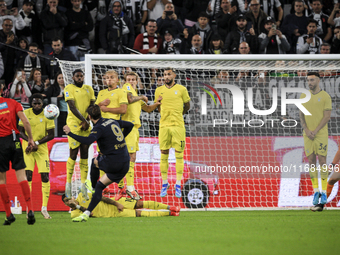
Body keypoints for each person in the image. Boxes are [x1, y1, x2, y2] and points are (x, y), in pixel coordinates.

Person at [63, 104, 134, 222]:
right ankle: (86, 213)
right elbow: (130, 125)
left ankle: (93, 187)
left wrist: (69, 133)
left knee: (94, 162)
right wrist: (120, 138)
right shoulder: (111, 120)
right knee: (101, 184)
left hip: (113, 162)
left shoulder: (98, 128)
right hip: (125, 163)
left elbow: (87, 141)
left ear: (89, 117)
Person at [116, 71, 162, 200]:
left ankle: (123, 186)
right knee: (130, 156)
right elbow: (130, 99)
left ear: (137, 81)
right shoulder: (127, 89)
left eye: (133, 79)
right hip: (127, 127)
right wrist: (142, 96)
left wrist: (157, 104)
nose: (130, 81)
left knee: (130, 157)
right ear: (125, 82)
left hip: (134, 128)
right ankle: (129, 187)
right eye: (128, 79)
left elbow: (147, 108)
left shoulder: (135, 94)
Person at [0, 83, 36, 225]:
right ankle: (30, 210)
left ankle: (9, 215)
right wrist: (31, 139)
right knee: (22, 176)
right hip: (14, 140)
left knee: (2, 180)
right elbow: (25, 121)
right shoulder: (13, 103)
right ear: (2, 89)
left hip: (1, 143)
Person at [155, 68, 190, 198]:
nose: (166, 76)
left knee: (179, 155)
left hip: (178, 126)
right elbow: (157, 105)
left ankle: (178, 184)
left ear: (174, 75)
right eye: (164, 74)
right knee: (164, 153)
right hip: (164, 126)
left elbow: (187, 105)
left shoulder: (181, 89)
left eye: (169, 74)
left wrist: (179, 115)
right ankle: (165, 183)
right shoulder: (159, 90)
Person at [18, 93, 55, 219]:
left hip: (41, 150)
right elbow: (20, 131)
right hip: (28, 149)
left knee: (45, 177)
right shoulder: (25, 113)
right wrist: (30, 142)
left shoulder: (47, 114)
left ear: (43, 103)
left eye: (39, 103)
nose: (37, 105)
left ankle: (44, 208)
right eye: (35, 103)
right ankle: (29, 208)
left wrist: (36, 143)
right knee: (28, 176)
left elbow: (51, 135)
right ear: (31, 103)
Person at [299, 71, 331, 206]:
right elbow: (301, 116)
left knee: (322, 161)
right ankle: (316, 191)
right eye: (308, 80)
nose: (309, 83)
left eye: (312, 80)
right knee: (311, 161)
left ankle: (324, 192)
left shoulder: (325, 96)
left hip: (321, 134)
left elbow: (327, 116)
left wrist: (315, 131)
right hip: (308, 134)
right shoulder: (303, 96)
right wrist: (306, 130)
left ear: (318, 80)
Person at [64, 69, 95, 199]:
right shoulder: (69, 88)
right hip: (73, 123)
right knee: (73, 152)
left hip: (85, 123)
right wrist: (84, 120)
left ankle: (83, 185)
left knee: (84, 153)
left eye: (81, 76)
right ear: (73, 77)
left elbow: (92, 105)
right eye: (77, 76)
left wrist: (87, 120)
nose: (79, 78)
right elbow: (71, 106)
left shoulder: (89, 88)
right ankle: (68, 183)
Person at [62, 192, 180, 218]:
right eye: (66, 201)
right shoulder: (74, 214)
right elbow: (90, 213)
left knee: (140, 204)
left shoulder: (83, 195)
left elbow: (101, 197)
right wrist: (77, 206)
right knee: (140, 214)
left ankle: (171, 207)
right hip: (113, 214)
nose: (69, 201)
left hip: (116, 203)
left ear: (72, 197)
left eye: (69, 199)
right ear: (65, 204)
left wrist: (117, 203)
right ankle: (171, 213)